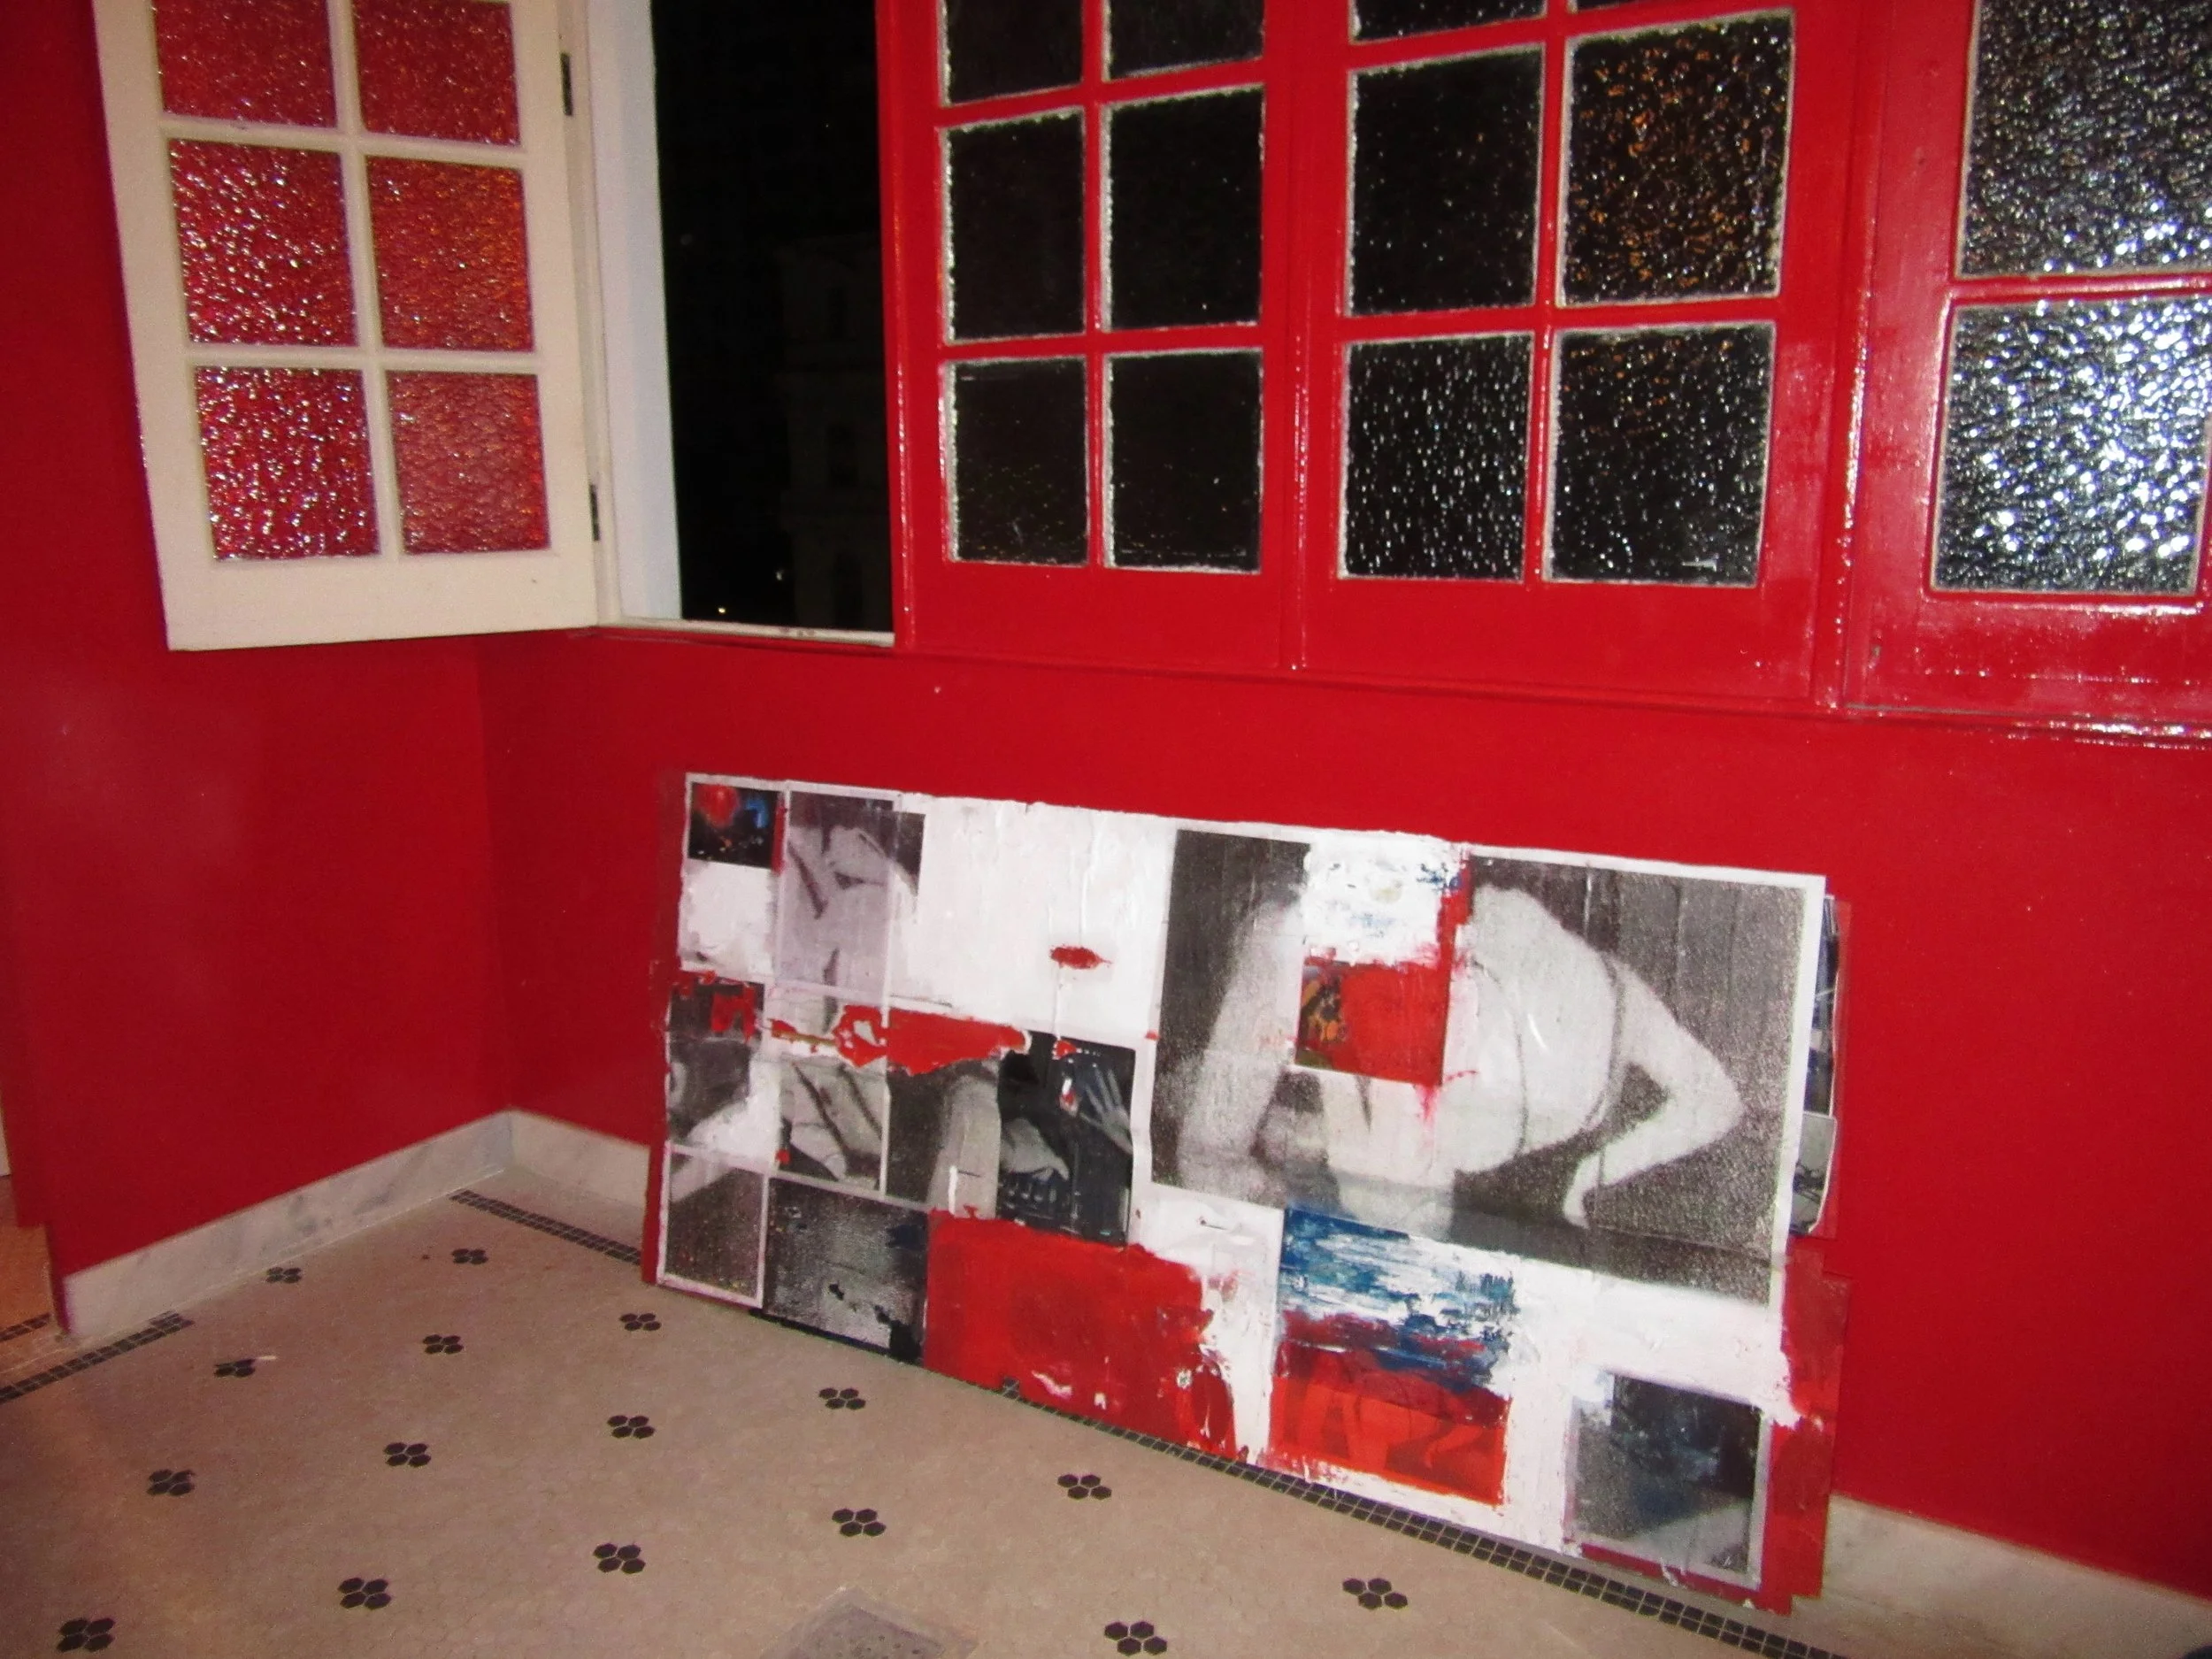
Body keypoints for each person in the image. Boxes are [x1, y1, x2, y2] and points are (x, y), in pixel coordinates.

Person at [1171, 881, 1743, 1239]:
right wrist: (1588, 1178)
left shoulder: (1617, 990)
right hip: (1423, 1092)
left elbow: (1719, 1102)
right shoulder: (1620, 1000)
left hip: (1415, 1087)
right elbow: (1719, 1102)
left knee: (1223, 1146)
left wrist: (1588, 1178)